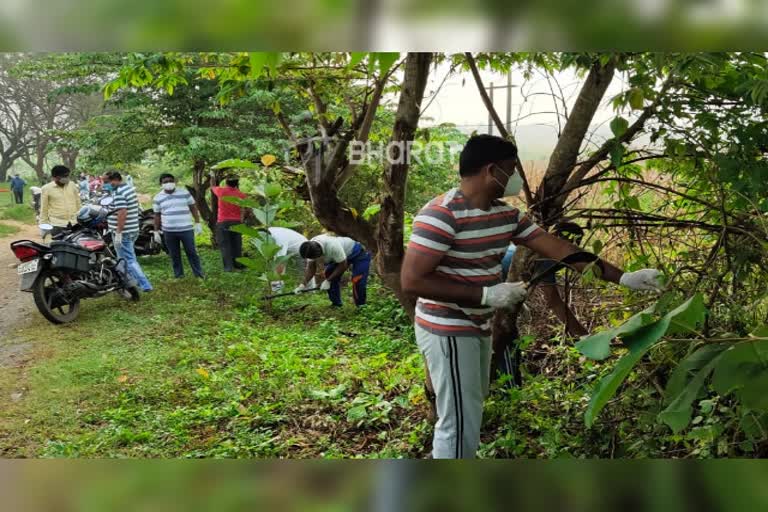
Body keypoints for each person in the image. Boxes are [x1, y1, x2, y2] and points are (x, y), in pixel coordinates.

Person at [400, 134, 663, 459]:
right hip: (446, 328)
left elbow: (562, 250)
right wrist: (485, 294)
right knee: (458, 422)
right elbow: (412, 281)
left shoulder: (505, 216)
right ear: (490, 170)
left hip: (477, 325)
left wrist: (623, 277)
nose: (516, 179)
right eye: (511, 170)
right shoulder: (440, 215)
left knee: (471, 404)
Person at [103, 170, 153, 292]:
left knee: (128, 259)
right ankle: (128, 282)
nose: (104, 184)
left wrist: (119, 232)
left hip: (124, 232)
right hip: (132, 229)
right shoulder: (128, 189)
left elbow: (122, 213)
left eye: (106, 182)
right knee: (125, 258)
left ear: (115, 179)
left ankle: (144, 284)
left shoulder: (120, 193)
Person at [294, 234, 371, 307]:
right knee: (329, 273)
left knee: (357, 279)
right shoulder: (309, 248)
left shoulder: (332, 246)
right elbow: (311, 268)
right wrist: (303, 285)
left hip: (358, 252)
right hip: (341, 255)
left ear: (319, 252)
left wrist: (328, 280)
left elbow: (343, 265)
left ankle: (361, 306)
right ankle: (336, 304)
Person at [152, 173, 205, 279]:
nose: (168, 183)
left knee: (191, 252)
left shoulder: (184, 193)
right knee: (174, 254)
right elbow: (157, 215)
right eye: (165, 182)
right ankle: (179, 275)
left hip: (186, 229)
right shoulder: (158, 197)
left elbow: (193, 207)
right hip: (169, 231)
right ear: (161, 184)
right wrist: (156, 231)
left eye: (170, 181)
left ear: (175, 181)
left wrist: (198, 222)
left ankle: (199, 274)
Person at [211, 178, 247, 272]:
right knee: (237, 244)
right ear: (237, 184)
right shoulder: (241, 195)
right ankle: (238, 264)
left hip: (223, 222)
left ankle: (229, 268)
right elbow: (243, 209)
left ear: (226, 183)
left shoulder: (221, 191)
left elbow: (212, 186)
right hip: (237, 222)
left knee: (225, 245)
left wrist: (212, 177)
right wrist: (241, 220)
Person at [39, 165, 81, 238]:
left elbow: (78, 202)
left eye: (68, 176)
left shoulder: (72, 185)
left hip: (74, 223)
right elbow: (44, 208)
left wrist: (80, 217)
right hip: (57, 225)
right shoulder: (46, 189)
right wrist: (43, 225)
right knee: (59, 247)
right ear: (56, 177)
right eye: (65, 176)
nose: (67, 178)